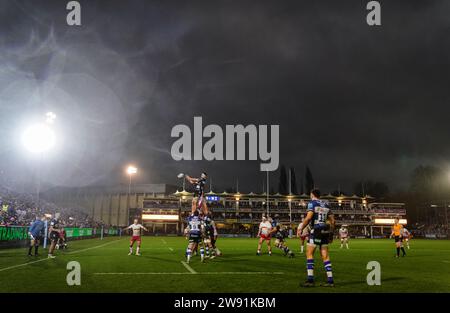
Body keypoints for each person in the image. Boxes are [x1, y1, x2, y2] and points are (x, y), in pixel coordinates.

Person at [298, 189, 335, 287]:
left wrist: (301, 228)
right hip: (326, 231)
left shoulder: (312, 203)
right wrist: (331, 234)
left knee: (309, 254)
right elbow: (333, 221)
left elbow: (309, 217)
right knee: (325, 256)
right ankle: (330, 280)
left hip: (316, 230)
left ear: (312, 194)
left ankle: (310, 280)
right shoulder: (327, 205)